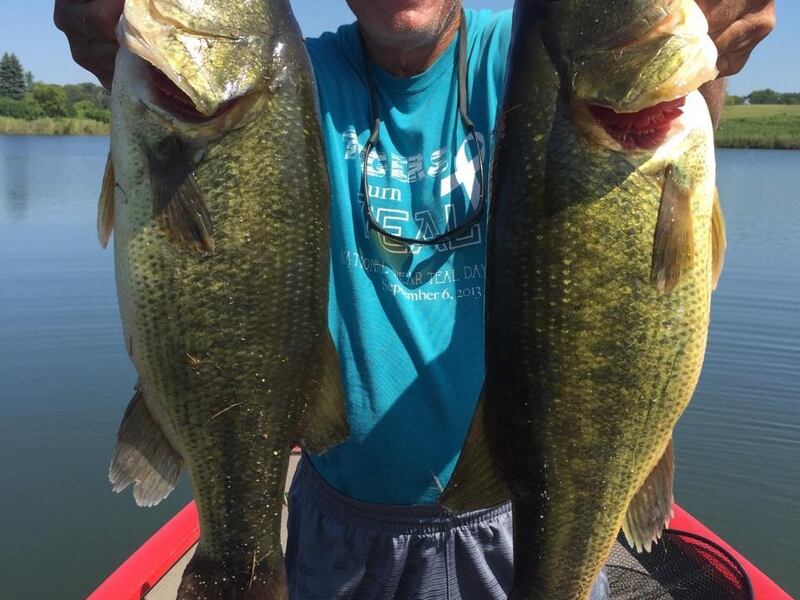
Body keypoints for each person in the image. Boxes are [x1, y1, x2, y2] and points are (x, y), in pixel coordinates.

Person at [55, 1, 775, 598]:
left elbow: (657, 120)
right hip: (339, 529)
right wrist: (116, 43)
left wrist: (705, 60)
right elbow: (181, 83)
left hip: (523, 512)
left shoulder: (531, 62)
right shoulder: (288, 81)